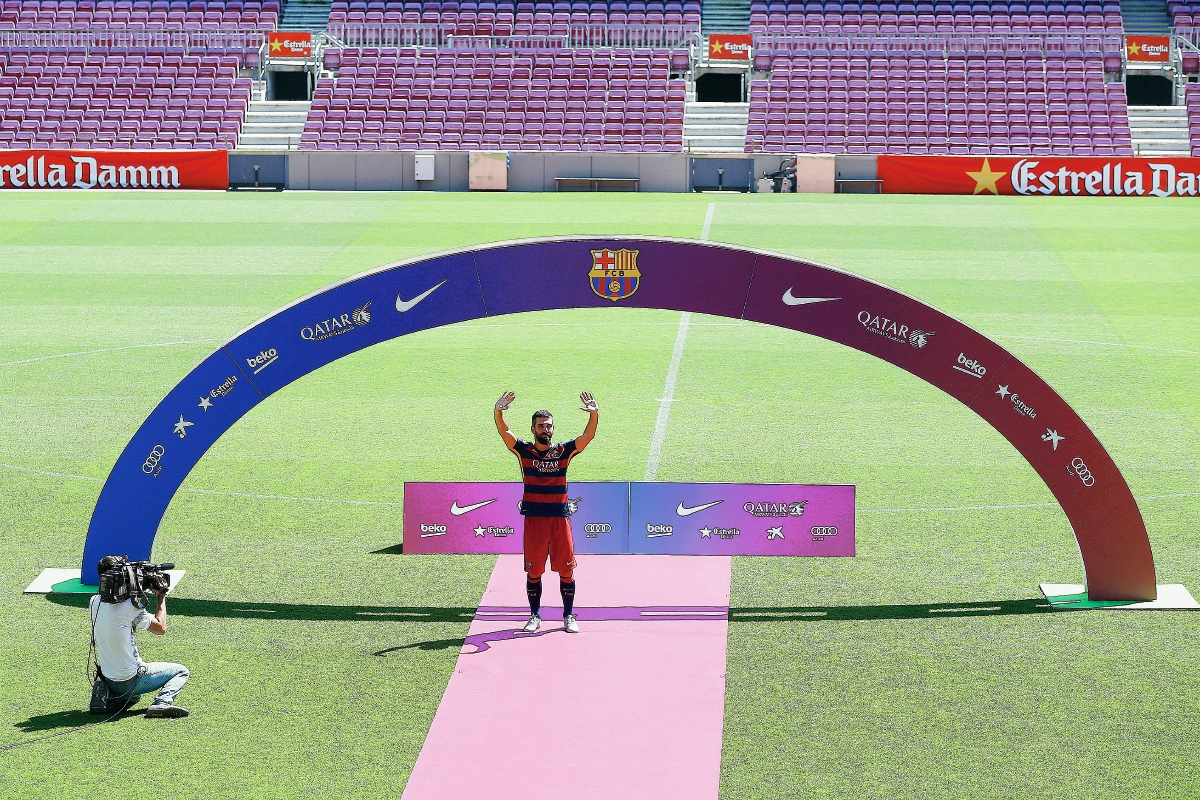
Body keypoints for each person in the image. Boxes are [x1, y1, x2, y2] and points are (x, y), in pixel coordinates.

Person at [494, 391, 598, 634]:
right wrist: (498, 412)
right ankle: (535, 616)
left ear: (553, 429)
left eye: (548, 426)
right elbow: (505, 433)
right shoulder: (524, 451)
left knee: (566, 569)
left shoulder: (564, 451)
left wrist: (594, 414)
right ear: (533, 429)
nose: (545, 429)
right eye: (541, 426)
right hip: (534, 521)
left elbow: (588, 436)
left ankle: (569, 615)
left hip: (560, 519)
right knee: (534, 571)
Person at [88, 555, 190, 718]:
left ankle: (106, 693)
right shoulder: (131, 608)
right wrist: (161, 596)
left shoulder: (94, 601)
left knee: (135, 697)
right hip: (131, 679)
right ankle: (162, 703)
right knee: (181, 671)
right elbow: (160, 628)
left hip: (107, 677)